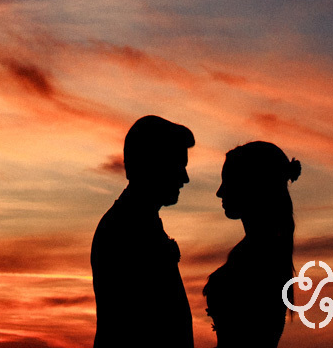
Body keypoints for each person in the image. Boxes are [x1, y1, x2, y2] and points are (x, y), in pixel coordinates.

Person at [92, 115, 196, 348]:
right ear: (153, 165)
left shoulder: (138, 223)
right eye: (178, 166)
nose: (185, 178)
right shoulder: (125, 229)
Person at [203, 142, 302, 347]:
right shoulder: (263, 250)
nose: (219, 192)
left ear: (252, 186)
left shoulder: (260, 257)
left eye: (227, 182)